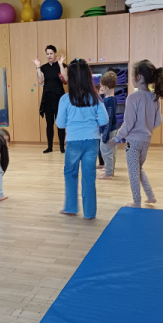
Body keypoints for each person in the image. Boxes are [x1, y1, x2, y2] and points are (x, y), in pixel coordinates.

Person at [56, 58, 108, 220]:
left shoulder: (65, 99)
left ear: (70, 78)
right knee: (89, 176)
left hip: (73, 142)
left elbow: (60, 123)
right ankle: (90, 212)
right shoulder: (95, 98)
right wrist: (92, 123)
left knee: (70, 173)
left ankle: (71, 207)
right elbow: (104, 120)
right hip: (92, 141)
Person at [112, 59, 163, 208]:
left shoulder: (133, 97)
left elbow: (128, 123)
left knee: (133, 172)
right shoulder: (154, 97)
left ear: (138, 77)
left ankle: (136, 202)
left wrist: (117, 138)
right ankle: (150, 196)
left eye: (132, 76)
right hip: (146, 141)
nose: (131, 79)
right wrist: (146, 128)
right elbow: (158, 121)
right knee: (138, 169)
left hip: (133, 142)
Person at [33, 45, 67, 154]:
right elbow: (40, 81)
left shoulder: (62, 65)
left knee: (60, 123)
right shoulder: (43, 67)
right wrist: (38, 66)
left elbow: (65, 79)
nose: (49, 56)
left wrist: (60, 64)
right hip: (47, 98)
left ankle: (62, 147)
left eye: (51, 53)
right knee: (49, 123)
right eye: (47, 54)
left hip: (59, 98)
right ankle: (50, 147)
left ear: (55, 54)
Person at [98, 71, 118, 180]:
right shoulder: (110, 99)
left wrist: (105, 134)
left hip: (108, 130)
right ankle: (110, 170)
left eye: (101, 87)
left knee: (106, 151)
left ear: (105, 87)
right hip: (111, 130)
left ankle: (109, 173)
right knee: (111, 151)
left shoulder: (109, 101)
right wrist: (101, 95)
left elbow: (108, 119)